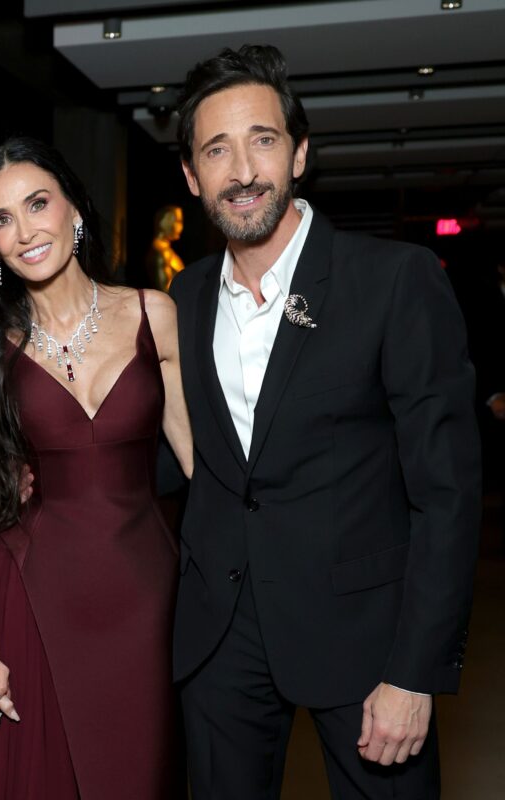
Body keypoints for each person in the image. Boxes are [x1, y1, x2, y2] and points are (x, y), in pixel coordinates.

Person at [167, 45, 480, 798]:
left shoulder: (393, 281)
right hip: (223, 644)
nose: (243, 170)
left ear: (300, 154)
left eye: (262, 140)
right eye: (217, 149)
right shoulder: (181, 299)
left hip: (368, 643)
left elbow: (447, 494)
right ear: (192, 176)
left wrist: (415, 672)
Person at [0, 137, 193, 799]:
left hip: (147, 598)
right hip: (35, 598)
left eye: (37, 204)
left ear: (73, 206)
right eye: (1, 219)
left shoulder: (153, 314)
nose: (24, 231)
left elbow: (206, 470)